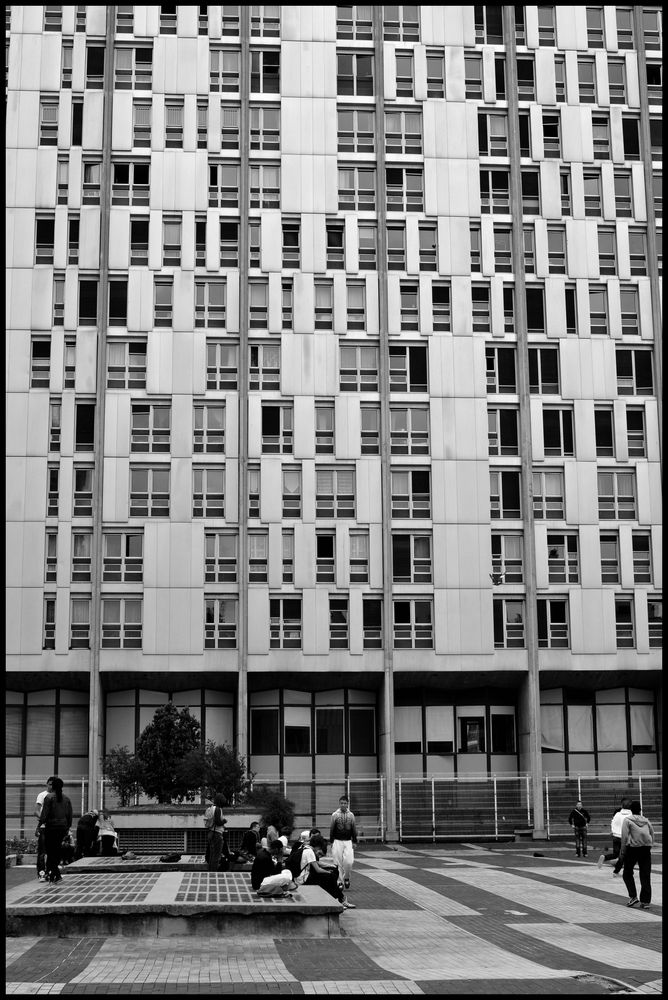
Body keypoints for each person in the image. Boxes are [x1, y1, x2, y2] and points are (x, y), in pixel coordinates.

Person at [618, 800, 654, 909]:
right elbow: (652, 833)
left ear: (630, 810)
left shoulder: (627, 820)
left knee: (627, 873)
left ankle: (633, 896)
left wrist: (623, 850)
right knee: (645, 874)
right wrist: (649, 846)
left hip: (633, 849)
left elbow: (624, 836)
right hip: (646, 849)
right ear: (640, 809)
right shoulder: (647, 821)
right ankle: (646, 901)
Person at [39, 777, 73, 884]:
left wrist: (40, 825)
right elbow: (69, 815)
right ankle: (54, 874)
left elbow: (44, 814)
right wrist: (67, 828)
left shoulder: (49, 798)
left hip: (51, 827)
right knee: (57, 850)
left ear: (52, 786)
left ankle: (55, 874)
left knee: (50, 851)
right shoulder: (67, 799)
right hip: (62, 827)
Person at [307, 833, 355, 908]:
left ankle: (340, 898)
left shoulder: (310, 850)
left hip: (310, 874)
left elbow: (316, 863)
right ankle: (339, 898)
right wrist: (328, 872)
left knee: (333, 872)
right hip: (307, 877)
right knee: (330, 877)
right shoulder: (309, 851)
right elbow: (317, 869)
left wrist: (330, 866)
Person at [329, 794, 357, 890]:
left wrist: (355, 841)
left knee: (349, 861)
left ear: (348, 804)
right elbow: (332, 828)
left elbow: (353, 828)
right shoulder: (335, 815)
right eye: (341, 803)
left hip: (348, 841)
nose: (343, 805)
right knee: (337, 862)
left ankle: (347, 877)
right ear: (339, 804)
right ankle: (339, 881)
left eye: (345, 803)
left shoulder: (351, 815)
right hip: (337, 841)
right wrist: (331, 841)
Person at [598, 798, 632, 871]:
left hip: (616, 836)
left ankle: (605, 857)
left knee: (615, 854)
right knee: (625, 855)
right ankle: (616, 870)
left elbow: (613, 822)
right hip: (624, 838)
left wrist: (613, 831)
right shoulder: (631, 815)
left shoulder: (617, 814)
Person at [34, 776, 55, 881]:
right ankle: (41, 873)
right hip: (43, 827)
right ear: (47, 784)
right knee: (42, 852)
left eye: (54, 784)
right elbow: (36, 811)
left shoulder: (58, 796)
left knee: (53, 852)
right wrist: (44, 820)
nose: (52, 786)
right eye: (50, 784)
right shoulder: (42, 795)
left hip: (54, 828)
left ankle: (50, 872)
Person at [203, 794, 227, 873]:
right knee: (216, 856)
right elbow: (218, 822)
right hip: (216, 834)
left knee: (212, 855)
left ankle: (210, 873)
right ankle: (213, 874)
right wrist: (224, 821)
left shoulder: (211, 808)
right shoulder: (218, 809)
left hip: (210, 832)